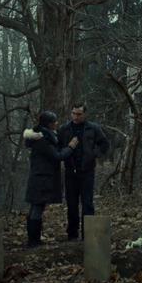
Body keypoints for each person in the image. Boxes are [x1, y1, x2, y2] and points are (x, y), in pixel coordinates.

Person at [23, 110, 79, 248]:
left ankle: (34, 239)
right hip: (41, 178)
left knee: (37, 208)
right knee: (37, 208)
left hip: (40, 177)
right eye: (54, 122)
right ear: (49, 124)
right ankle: (33, 241)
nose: (57, 124)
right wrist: (70, 147)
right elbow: (57, 156)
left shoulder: (45, 136)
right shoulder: (42, 139)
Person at [57, 103, 110, 240]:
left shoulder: (93, 128)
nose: (75, 116)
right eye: (73, 113)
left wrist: (94, 154)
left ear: (84, 114)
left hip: (87, 171)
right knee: (71, 204)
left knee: (87, 203)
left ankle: (88, 234)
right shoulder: (64, 129)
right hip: (70, 171)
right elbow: (57, 147)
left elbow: (104, 144)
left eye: (79, 114)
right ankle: (72, 234)